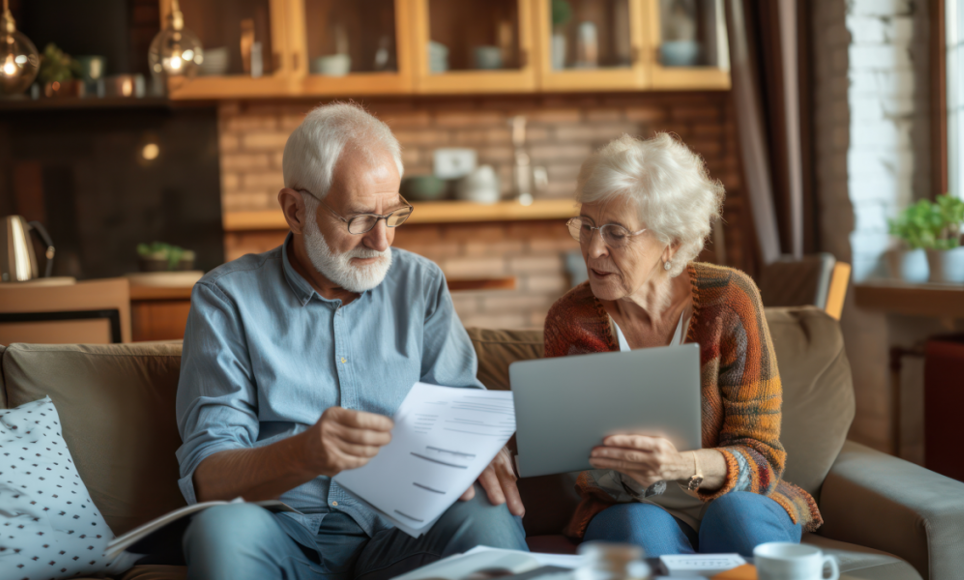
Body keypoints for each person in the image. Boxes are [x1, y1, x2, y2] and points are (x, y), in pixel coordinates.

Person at [175, 103, 527, 580]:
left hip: (402, 532)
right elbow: (210, 476)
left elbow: (459, 409)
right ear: (295, 210)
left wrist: (484, 446)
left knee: (490, 513)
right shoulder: (226, 299)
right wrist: (304, 454)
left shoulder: (419, 284)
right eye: (359, 219)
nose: (382, 241)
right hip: (279, 531)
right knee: (221, 531)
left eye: (393, 214)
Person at [543, 133, 822, 557]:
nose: (593, 248)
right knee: (642, 532)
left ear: (669, 243)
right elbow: (577, 467)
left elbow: (762, 455)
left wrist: (682, 466)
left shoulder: (730, 300)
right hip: (629, 505)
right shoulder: (570, 320)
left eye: (616, 232)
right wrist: (634, 475)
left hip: (731, 498)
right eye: (586, 226)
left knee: (736, 519)